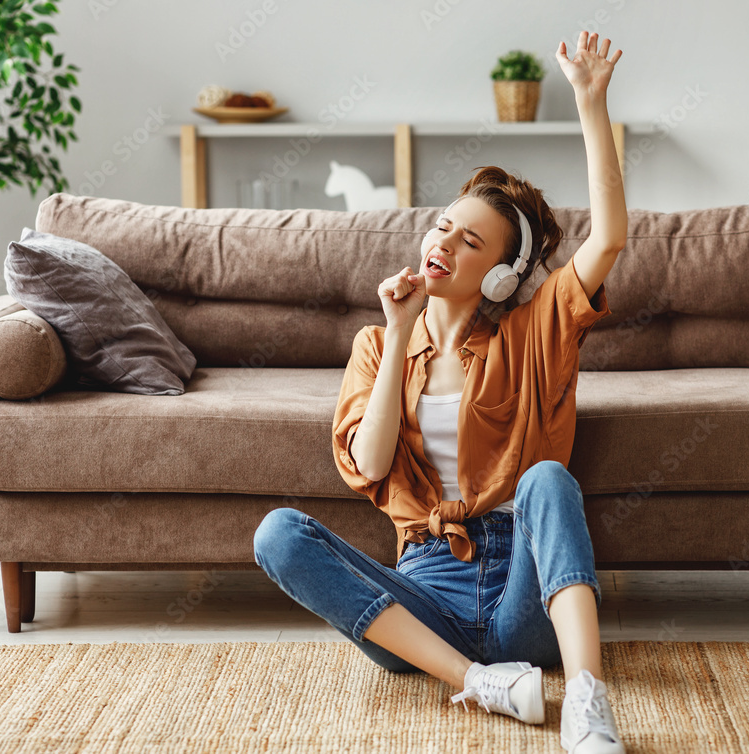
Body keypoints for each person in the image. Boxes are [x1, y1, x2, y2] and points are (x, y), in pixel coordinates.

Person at [254, 31, 627, 754]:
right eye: (442, 227)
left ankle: (585, 698)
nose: (444, 244)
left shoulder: (532, 333)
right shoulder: (377, 343)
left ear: (502, 277)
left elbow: (607, 241)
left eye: (469, 244)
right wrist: (397, 334)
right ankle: (476, 682)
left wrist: (590, 101)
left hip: (523, 591)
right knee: (278, 535)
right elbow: (368, 462)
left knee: (549, 480)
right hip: (420, 604)